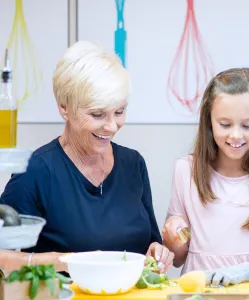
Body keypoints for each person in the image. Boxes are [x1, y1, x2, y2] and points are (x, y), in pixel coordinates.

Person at [0, 41, 173, 275]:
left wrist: (156, 252)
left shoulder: (134, 164)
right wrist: (61, 261)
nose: (112, 126)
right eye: (97, 114)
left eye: (119, 112)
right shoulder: (36, 171)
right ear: (64, 107)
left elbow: (150, 243)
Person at [162, 68, 249, 286]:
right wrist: (173, 239)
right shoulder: (186, 169)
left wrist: (246, 270)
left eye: (247, 125)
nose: (236, 135)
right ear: (208, 120)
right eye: (225, 124)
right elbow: (179, 257)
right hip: (202, 290)